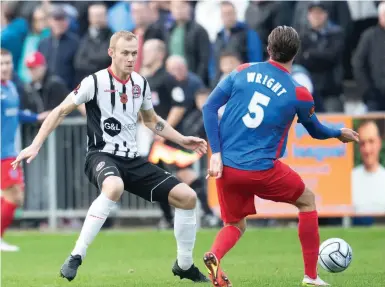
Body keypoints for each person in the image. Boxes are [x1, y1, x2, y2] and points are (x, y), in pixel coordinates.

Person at [11, 31, 209, 283]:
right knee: (114, 186)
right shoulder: (95, 82)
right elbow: (60, 111)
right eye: (124, 53)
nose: (130, 58)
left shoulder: (140, 84)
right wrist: (35, 145)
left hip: (133, 159)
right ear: (111, 53)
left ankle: (184, 265)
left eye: (134, 53)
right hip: (100, 155)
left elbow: (151, 120)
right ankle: (76, 255)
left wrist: (181, 139)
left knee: (187, 197)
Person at [201, 26, 359, 287]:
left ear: (268, 49)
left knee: (235, 225)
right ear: (296, 53)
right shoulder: (299, 93)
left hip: (227, 167)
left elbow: (209, 108)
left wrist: (215, 153)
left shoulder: (241, 71)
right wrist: (337, 133)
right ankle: (311, 276)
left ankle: (215, 255)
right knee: (307, 201)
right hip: (262, 170)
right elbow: (316, 130)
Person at [0, 48, 48, 252]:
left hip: (10, 150)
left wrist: (35, 117)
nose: (5, 67)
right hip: (2, 153)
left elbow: (14, 113)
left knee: (13, 196)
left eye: (8, 63)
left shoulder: (10, 87)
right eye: (1, 64)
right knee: (15, 196)